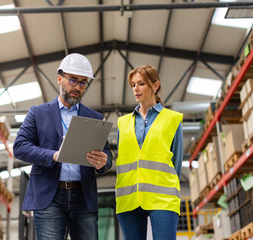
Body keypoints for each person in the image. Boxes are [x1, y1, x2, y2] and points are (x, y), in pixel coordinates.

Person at [13, 53, 113, 240]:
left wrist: (104, 162)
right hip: (50, 198)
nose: (77, 87)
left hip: (83, 197)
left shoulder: (94, 118)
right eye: (73, 80)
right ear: (60, 79)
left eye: (83, 83)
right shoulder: (38, 113)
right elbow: (20, 146)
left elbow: (106, 152)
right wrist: (53, 155)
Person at [115, 65, 183, 240]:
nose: (135, 89)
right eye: (133, 85)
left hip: (163, 197)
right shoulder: (122, 123)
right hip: (129, 198)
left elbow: (176, 162)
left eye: (141, 84)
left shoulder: (172, 119)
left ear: (155, 85)